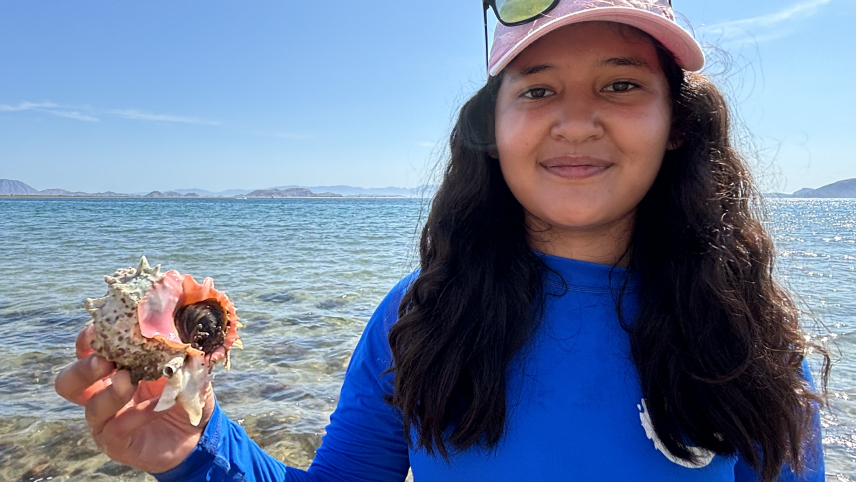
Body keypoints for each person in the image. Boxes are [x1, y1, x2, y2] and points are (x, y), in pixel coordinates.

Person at [55, 0, 828, 480]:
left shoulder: (747, 337)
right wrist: (195, 450)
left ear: (678, 124)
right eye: (538, 88)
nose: (576, 119)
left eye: (622, 84)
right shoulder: (419, 318)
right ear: (492, 130)